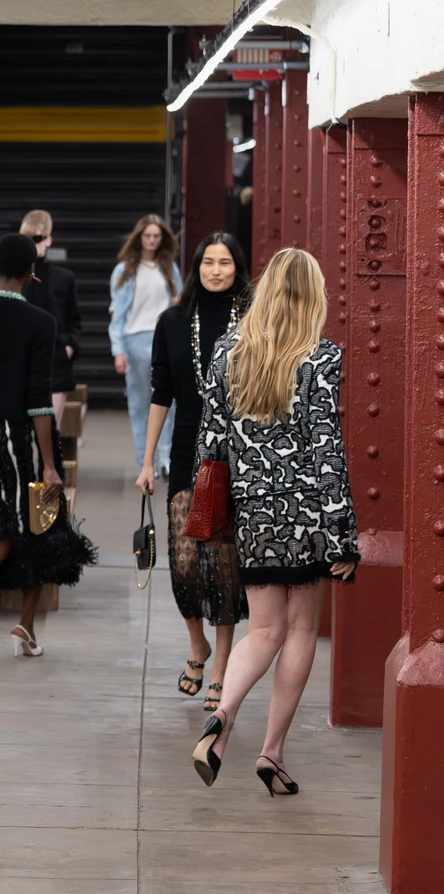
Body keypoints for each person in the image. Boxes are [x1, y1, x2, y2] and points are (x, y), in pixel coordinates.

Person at [190, 248, 358, 796]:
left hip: (254, 513)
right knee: (301, 630)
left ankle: (222, 718)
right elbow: (327, 449)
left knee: (262, 630)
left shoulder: (226, 354)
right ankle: (272, 751)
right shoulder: (322, 358)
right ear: (312, 298)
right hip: (308, 515)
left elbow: (209, 445)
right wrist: (342, 534)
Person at [0, 235, 96, 655]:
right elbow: (38, 400)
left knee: (34, 530)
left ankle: (25, 627)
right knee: (25, 525)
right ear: (33, 272)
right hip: (26, 440)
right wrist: (49, 464)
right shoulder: (41, 322)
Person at [136, 233, 252, 716]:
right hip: (186, 451)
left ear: (237, 268)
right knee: (185, 565)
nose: (217, 270)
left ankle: (221, 666)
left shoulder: (254, 322)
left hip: (238, 454)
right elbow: (161, 392)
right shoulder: (172, 321)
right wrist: (146, 461)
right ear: (196, 267)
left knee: (223, 568)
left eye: (225, 262)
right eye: (209, 262)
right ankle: (197, 645)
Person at [110, 214, 184, 476]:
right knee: (141, 403)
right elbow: (117, 314)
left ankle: (165, 457)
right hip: (135, 340)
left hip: (164, 337)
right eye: (148, 236)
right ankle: (145, 460)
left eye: (156, 236)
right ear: (139, 238)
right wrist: (118, 349)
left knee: (168, 401)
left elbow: (180, 303)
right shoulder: (124, 271)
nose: (152, 241)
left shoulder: (169, 269)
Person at [18, 210, 83, 424]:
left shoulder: (64, 279)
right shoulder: (11, 278)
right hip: (21, 355)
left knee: (50, 430)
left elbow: (74, 319)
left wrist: (69, 345)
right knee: (22, 433)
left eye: (37, 238)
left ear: (49, 239)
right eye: (27, 239)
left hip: (56, 356)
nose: (32, 244)